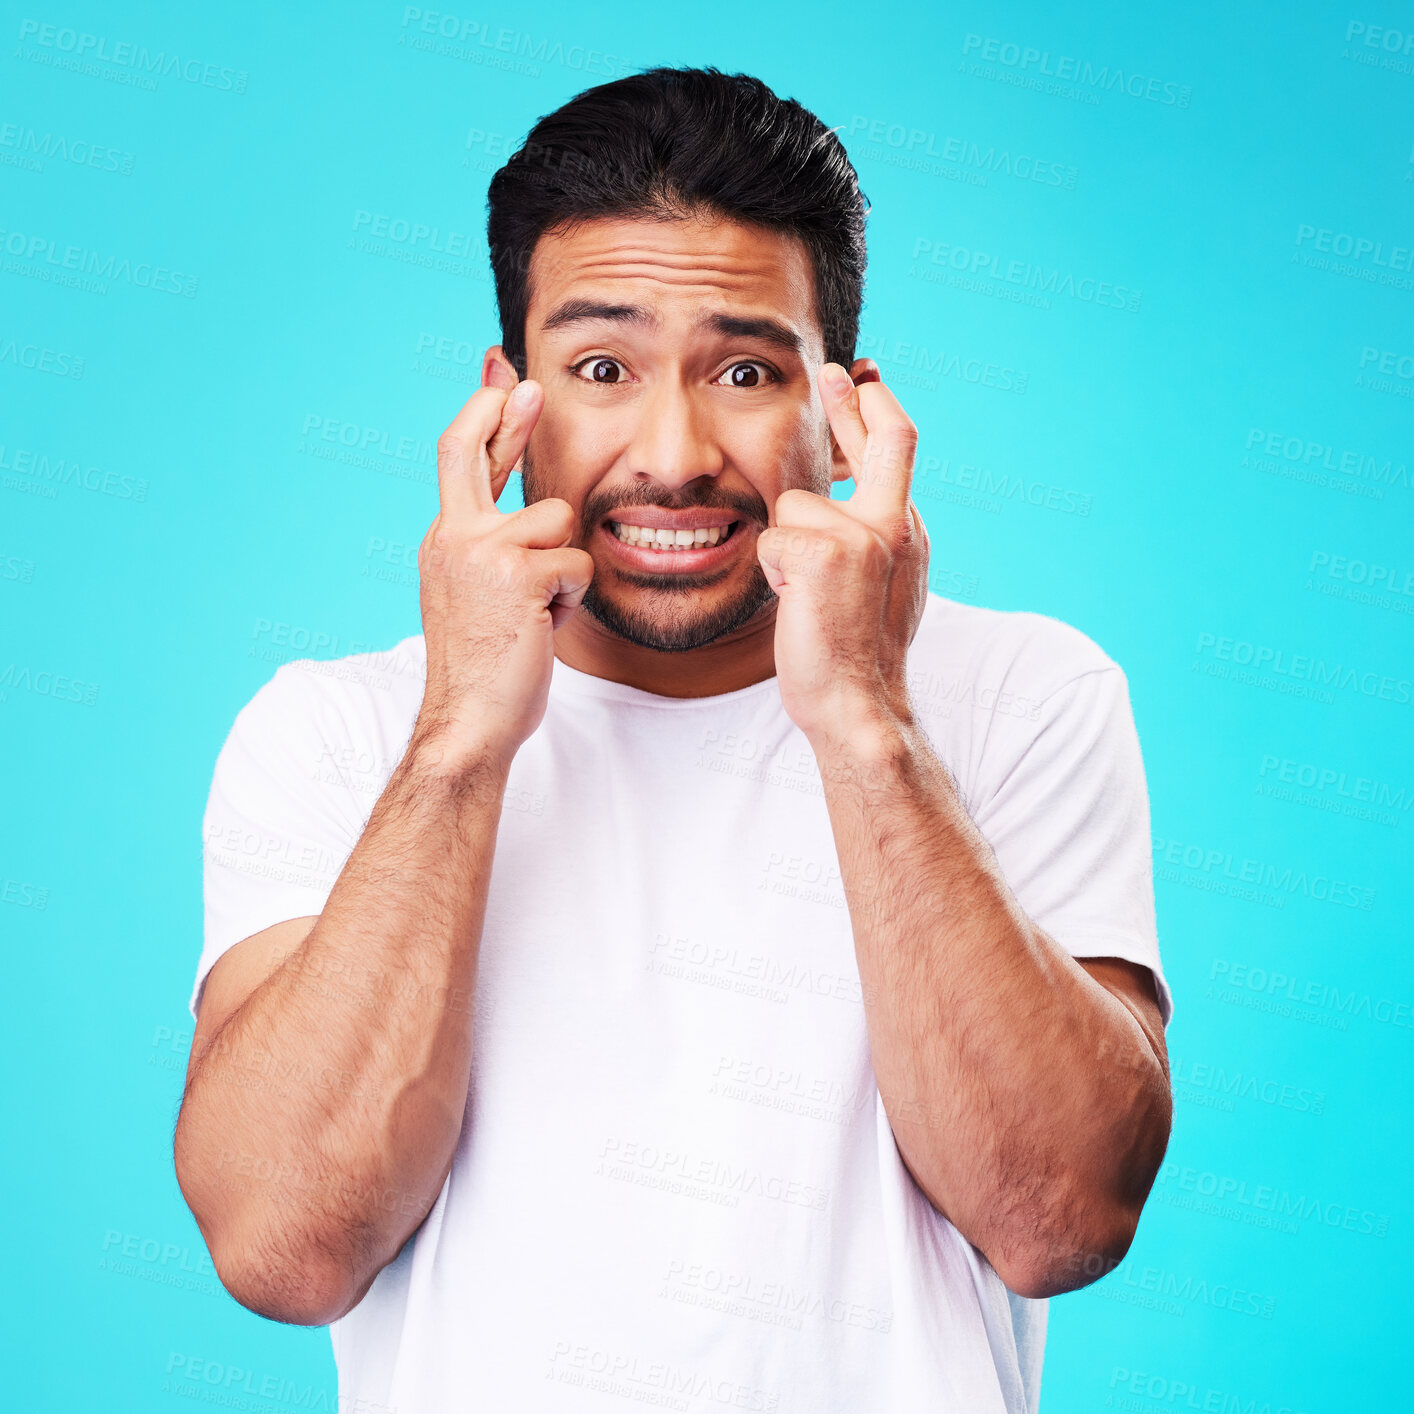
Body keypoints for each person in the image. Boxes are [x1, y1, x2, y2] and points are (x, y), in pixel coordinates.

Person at [174, 65, 1173, 1414]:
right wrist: (464, 735)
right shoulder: (336, 731)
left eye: (747, 369)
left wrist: (866, 718)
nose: (671, 449)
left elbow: (1057, 1218)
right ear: (503, 396)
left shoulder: (1026, 693)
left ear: (845, 408)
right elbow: (286, 1247)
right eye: (599, 367)